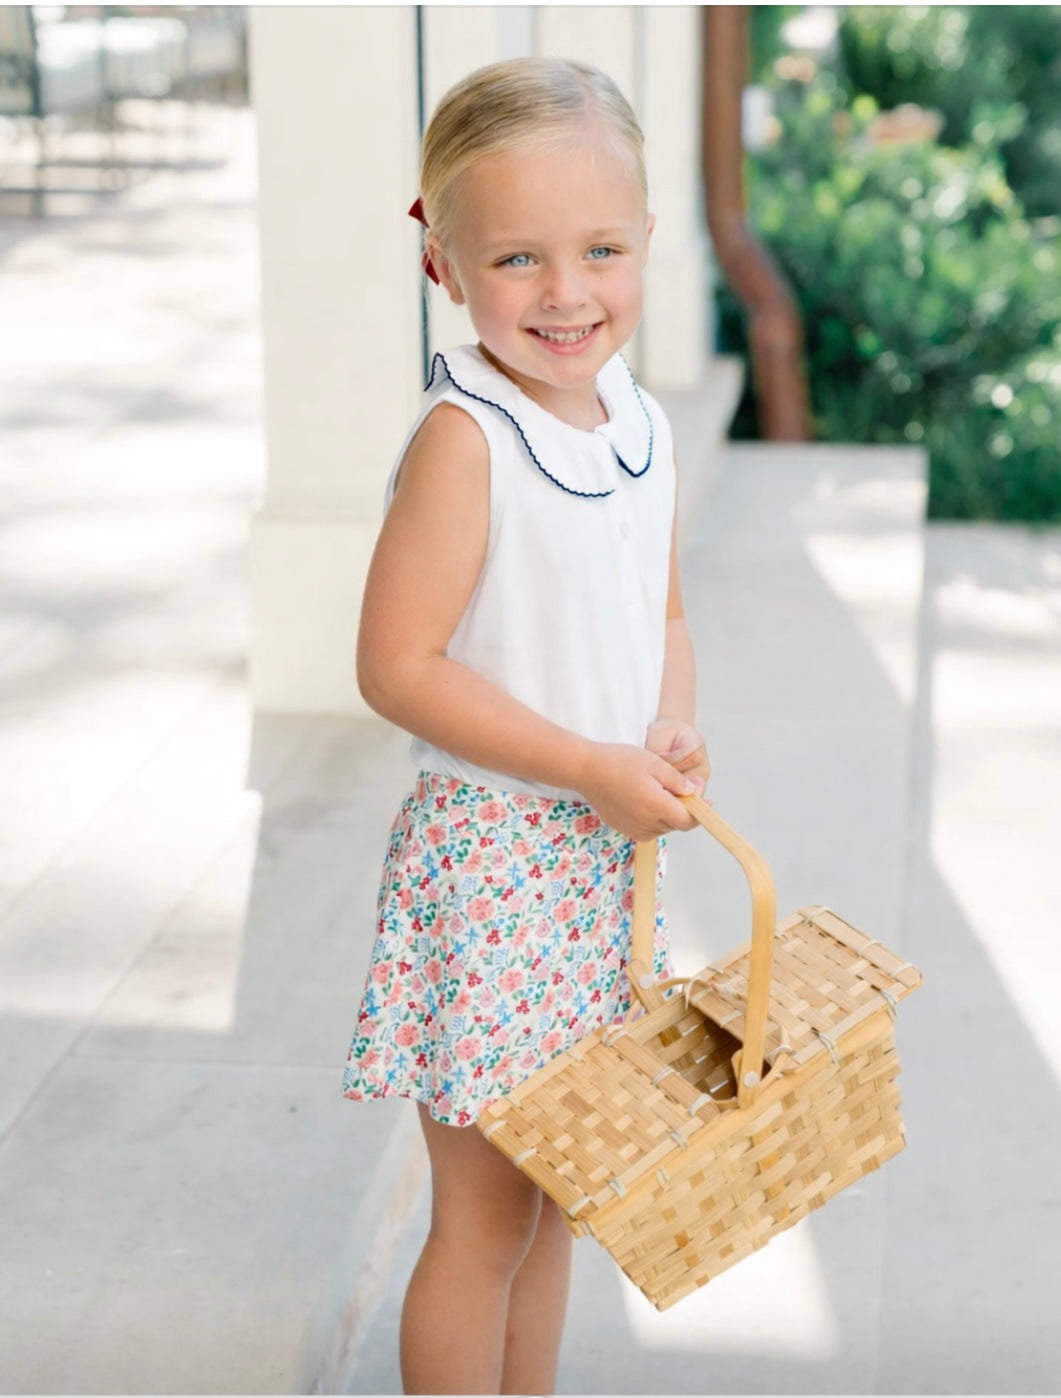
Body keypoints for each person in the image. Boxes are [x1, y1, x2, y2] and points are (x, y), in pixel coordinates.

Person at [341, 56, 710, 1396]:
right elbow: (396, 663)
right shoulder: (468, 438)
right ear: (442, 263)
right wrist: (581, 764)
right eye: (517, 259)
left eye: (600, 249)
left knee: (562, 1192)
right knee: (486, 1213)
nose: (566, 294)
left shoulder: (640, 426)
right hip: (496, 860)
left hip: (602, 859)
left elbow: (656, 611)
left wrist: (664, 725)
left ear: (647, 242)